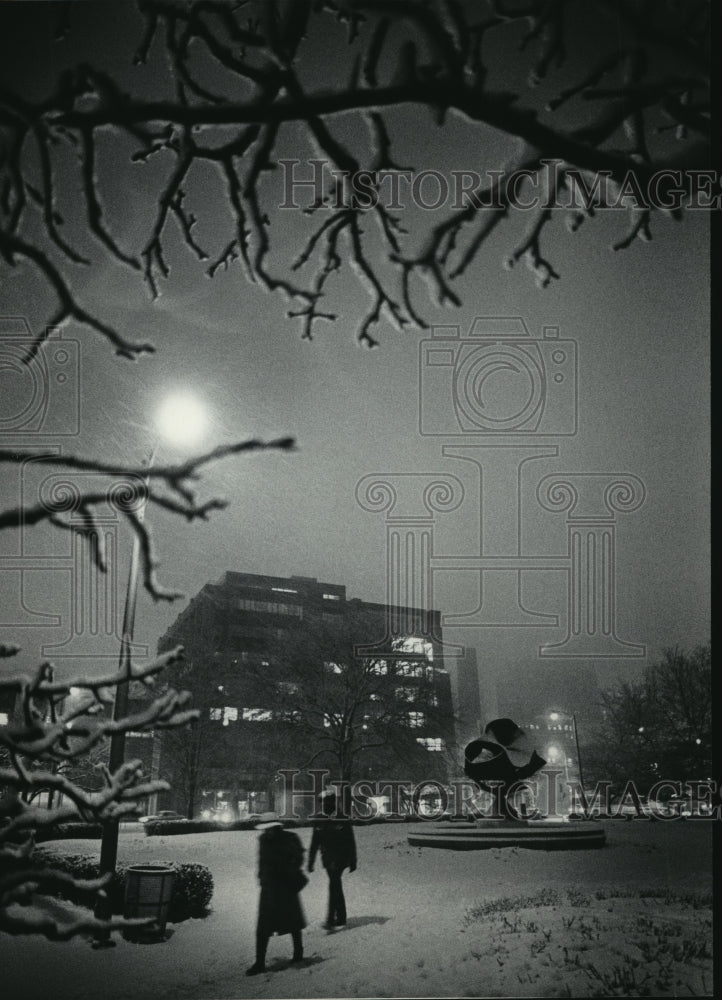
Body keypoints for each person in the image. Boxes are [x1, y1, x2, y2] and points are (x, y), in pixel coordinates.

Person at [246, 813, 308, 976]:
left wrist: (288, 870)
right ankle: (259, 962)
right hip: (269, 888)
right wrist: (261, 877)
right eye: (264, 829)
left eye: (269, 829)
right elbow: (262, 860)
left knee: (293, 922)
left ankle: (298, 953)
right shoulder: (263, 840)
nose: (266, 832)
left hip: (286, 886)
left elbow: (298, 858)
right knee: (263, 927)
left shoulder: (290, 838)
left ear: (276, 826)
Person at [308, 790, 357, 929]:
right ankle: (341, 917)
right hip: (328, 859)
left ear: (333, 802)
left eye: (328, 801)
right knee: (336, 885)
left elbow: (350, 840)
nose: (326, 804)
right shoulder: (319, 819)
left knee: (333, 884)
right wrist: (310, 861)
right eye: (324, 802)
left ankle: (330, 919)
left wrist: (353, 860)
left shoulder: (342, 818)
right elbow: (314, 842)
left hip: (340, 858)